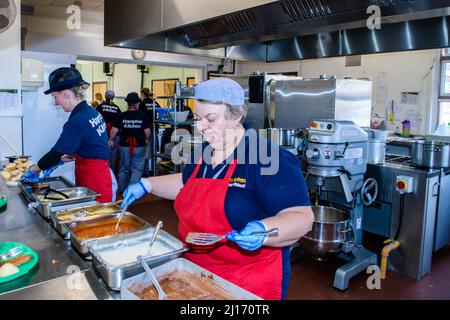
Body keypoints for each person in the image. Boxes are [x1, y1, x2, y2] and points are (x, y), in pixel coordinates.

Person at [120, 78, 314, 300]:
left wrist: (264, 230)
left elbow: (302, 217)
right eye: (198, 118)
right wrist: (148, 184)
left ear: (237, 115)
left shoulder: (268, 159)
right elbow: (187, 184)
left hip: (247, 283)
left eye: (210, 118)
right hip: (196, 275)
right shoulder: (204, 152)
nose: (201, 127)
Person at [20, 67, 117, 203]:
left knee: (94, 217)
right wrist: (70, 156)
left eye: (55, 97)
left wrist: (34, 169)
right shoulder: (91, 112)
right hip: (101, 174)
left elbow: (54, 154)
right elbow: (92, 144)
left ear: (65, 94)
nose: (56, 102)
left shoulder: (78, 120)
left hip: (94, 180)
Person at [109, 92, 150, 193]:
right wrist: (145, 139)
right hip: (139, 145)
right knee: (137, 169)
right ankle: (132, 190)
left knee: (124, 168)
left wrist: (110, 140)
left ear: (127, 103)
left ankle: (122, 189)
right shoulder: (142, 116)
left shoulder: (121, 116)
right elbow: (147, 132)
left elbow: (114, 130)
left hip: (124, 146)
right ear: (137, 103)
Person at [97, 90, 122, 171]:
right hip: (115, 134)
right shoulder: (117, 108)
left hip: (103, 133)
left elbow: (96, 120)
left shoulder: (101, 106)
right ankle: (112, 174)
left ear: (105, 96)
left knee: (103, 154)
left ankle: (104, 172)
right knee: (113, 155)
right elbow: (120, 122)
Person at [139, 88, 160, 175]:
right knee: (153, 151)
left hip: (145, 129)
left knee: (146, 151)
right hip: (154, 127)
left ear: (142, 94)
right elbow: (161, 111)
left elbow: (140, 116)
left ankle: (146, 171)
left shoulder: (142, 103)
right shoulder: (154, 102)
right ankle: (154, 169)